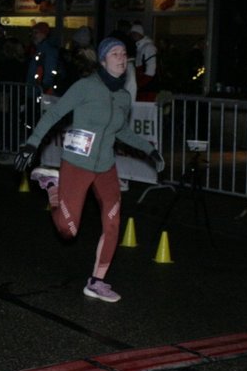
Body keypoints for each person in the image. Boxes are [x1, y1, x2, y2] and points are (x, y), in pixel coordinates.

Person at [13, 37, 164, 303]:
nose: (121, 58)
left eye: (124, 53)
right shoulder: (85, 87)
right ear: (103, 61)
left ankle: (97, 282)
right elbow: (54, 114)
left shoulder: (123, 97)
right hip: (77, 164)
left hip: (105, 167)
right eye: (115, 53)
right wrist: (31, 144)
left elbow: (122, 131)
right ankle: (53, 187)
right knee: (68, 230)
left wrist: (149, 150)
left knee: (113, 223)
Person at [25, 21, 63, 94]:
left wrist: (44, 87)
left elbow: (50, 69)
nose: (33, 35)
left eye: (36, 33)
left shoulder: (48, 50)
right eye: (32, 33)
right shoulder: (39, 49)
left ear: (44, 34)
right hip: (36, 89)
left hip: (40, 91)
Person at [129, 23, 160, 100]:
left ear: (140, 33)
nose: (133, 36)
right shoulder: (140, 47)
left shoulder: (148, 47)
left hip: (148, 89)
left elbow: (151, 71)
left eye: (135, 33)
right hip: (143, 88)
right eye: (132, 33)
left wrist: (139, 85)